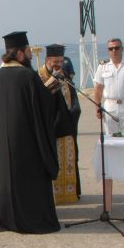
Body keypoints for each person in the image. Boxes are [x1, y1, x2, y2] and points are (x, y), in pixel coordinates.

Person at [0, 31, 60, 234]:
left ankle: (9, 217)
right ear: (19, 54)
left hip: (3, 143)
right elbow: (43, 106)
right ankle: (31, 218)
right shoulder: (27, 76)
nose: (30, 55)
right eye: (28, 52)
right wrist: (53, 92)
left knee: (9, 180)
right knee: (30, 179)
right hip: (27, 141)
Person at [38, 45, 81, 205]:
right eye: (55, 61)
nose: (58, 65)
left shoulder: (64, 75)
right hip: (50, 126)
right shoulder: (39, 76)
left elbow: (72, 97)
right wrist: (53, 80)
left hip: (66, 125)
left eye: (61, 61)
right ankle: (53, 195)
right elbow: (40, 97)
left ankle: (69, 192)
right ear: (47, 60)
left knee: (69, 159)